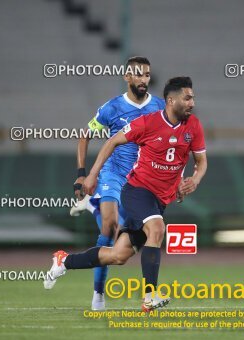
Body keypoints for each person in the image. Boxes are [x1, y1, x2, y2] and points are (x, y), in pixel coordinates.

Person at [44, 77, 207, 311]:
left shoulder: (194, 126)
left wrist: (194, 180)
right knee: (158, 229)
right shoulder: (147, 123)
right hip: (137, 191)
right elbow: (112, 142)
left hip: (160, 200)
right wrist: (91, 175)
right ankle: (149, 296)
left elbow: (201, 162)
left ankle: (64, 262)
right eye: (187, 97)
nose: (192, 102)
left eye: (193, 97)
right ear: (171, 101)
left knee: (118, 255)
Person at [70, 56, 165, 310]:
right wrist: (83, 173)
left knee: (129, 241)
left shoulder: (159, 106)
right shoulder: (112, 108)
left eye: (147, 74)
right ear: (127, 77)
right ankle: (98, 295)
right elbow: (85, 135)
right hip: (113, 174)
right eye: (138, 74)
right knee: (110, 228)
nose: (143, 79)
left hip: (140, 179)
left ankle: (91, 206)